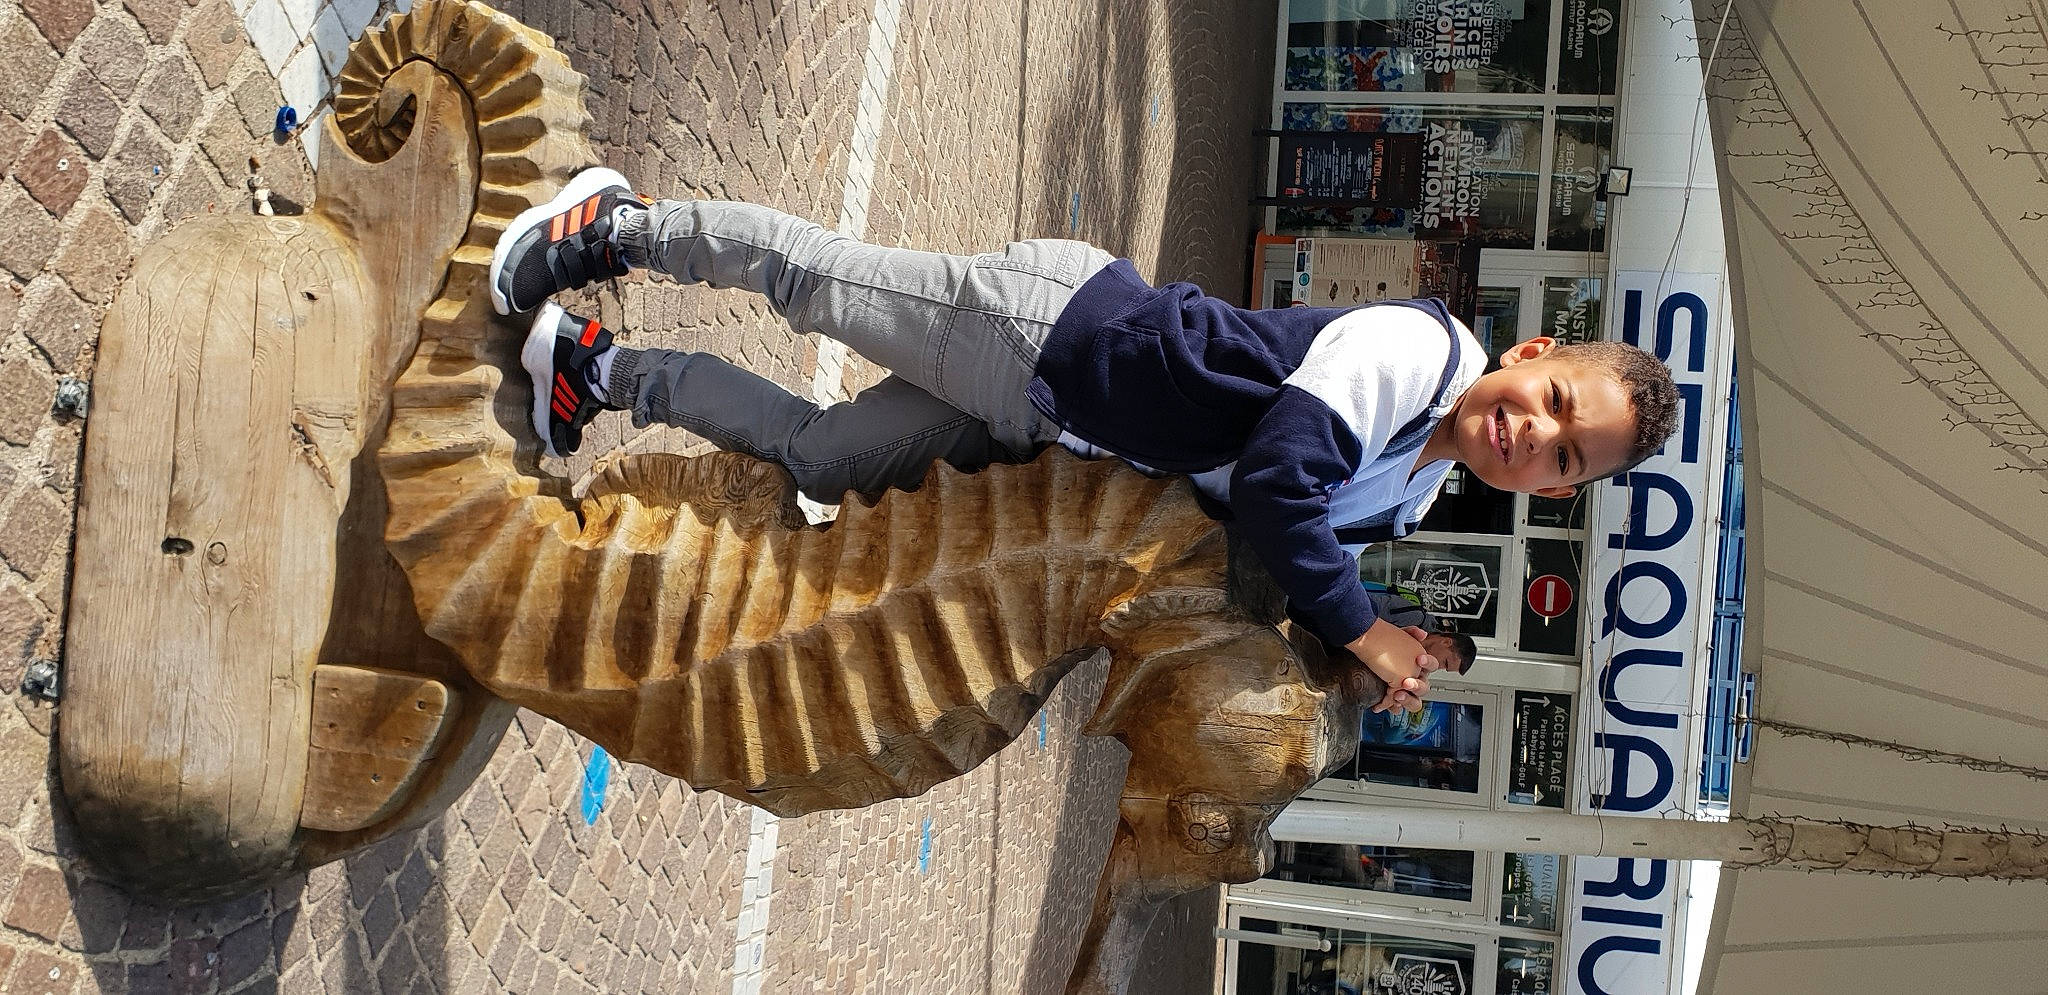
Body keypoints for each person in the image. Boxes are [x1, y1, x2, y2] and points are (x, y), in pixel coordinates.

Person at [488, 169, 1679, 714]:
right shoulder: (1417, 353)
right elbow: (1278, 480)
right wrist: (1362, 622)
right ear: (1532, 353)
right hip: (1054, 336)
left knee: (822, 461)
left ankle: (602, 370)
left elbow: (1275, 557)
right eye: (1553, 400)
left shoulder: (1404, 499)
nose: (1533, 434)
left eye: (1561, 456)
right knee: (818, 283)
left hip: (1048, 438)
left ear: (1546, 490)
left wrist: (1368, 659)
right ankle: (616, 227)